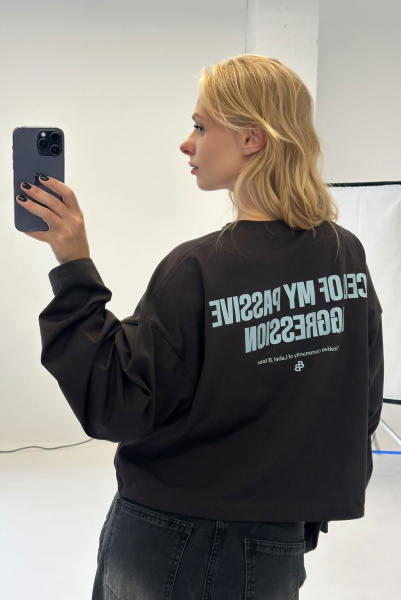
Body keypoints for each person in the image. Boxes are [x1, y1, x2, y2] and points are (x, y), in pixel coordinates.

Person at [17, 55, 384, 600]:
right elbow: (360, 403)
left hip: (169, 537)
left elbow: (118, 401)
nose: (187, 144)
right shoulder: (343, 253)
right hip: (277, 540)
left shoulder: (198, 267)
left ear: (251, 138)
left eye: (200, 126)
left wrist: (73, 264)